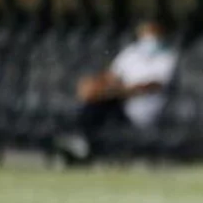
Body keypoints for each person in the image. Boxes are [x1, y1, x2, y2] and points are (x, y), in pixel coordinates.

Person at [56, 19, 178, 164]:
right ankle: (80, 143)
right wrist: (94, 84)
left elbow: (154, 85)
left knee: (101, 104)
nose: (148, 38)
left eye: (152, 33)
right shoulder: (132, 53)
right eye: (145, 33)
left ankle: (85, 147)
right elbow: (112, 76)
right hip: (122, 102)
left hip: (145, 108)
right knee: (92, 104)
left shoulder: (167, 56)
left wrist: (119, 91)